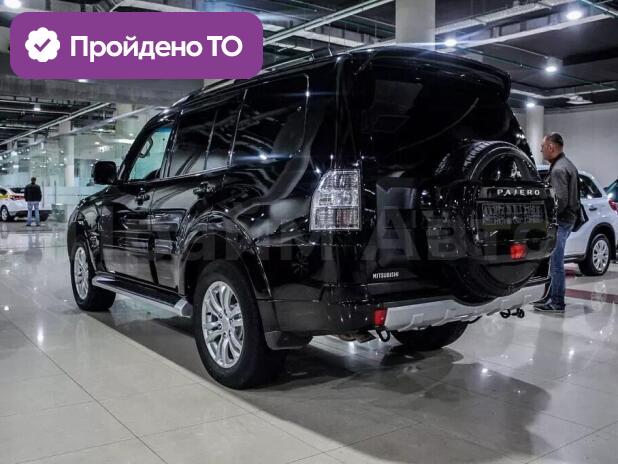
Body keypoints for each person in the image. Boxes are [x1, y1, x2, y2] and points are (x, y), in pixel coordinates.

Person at [534, 133, 580, 313]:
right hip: (568, 220)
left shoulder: (558, 169)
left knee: (556, 264)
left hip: (560, 222)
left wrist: (545, 218)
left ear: (551, 147)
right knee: (555, 262)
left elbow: (559, 201)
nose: (541, 150)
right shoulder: (568, 164)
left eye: (542, 146)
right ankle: (551, 297)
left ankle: (557, 302)